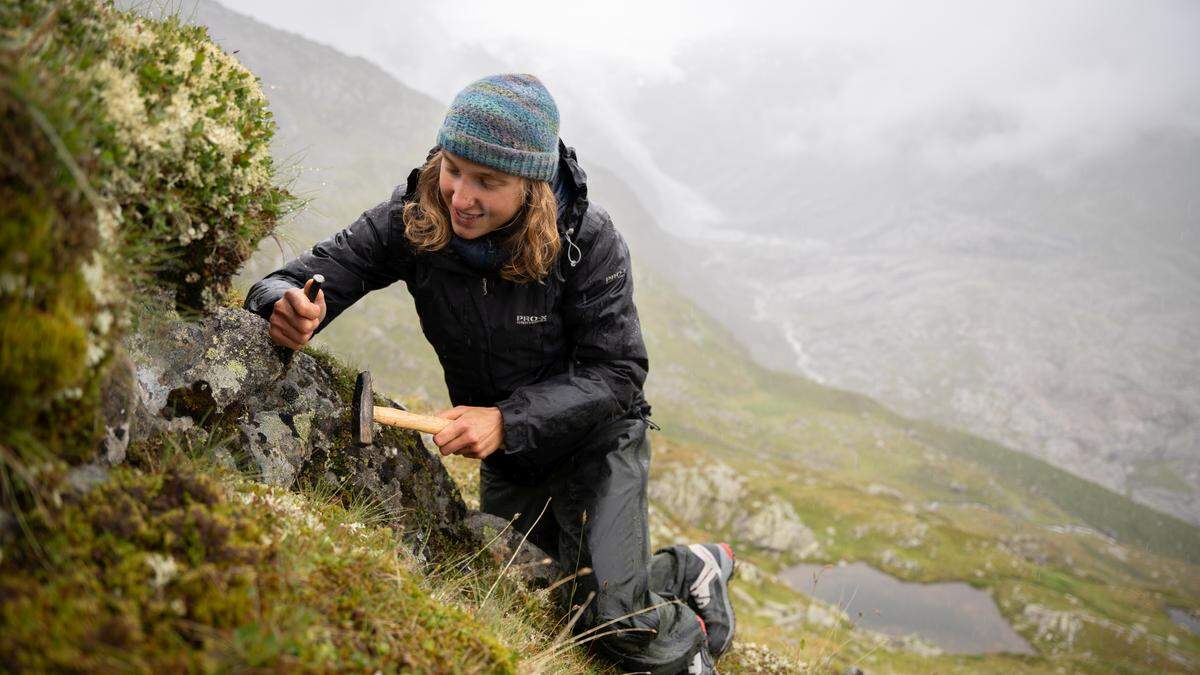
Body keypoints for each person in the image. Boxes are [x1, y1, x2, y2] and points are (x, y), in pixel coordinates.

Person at [245, 74, 736, 674]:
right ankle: (688, 567)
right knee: (548, 593)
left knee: (615, 625)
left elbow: (618, 372)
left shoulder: (587, 239)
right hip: (510, 458)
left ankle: (691, 643)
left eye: (488, 182)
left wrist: (506, 419)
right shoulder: (412, 218)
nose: (460, 197)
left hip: (596, 443)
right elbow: (299, 277)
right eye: (453, 168)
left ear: (531, 187)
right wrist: (286, 306)